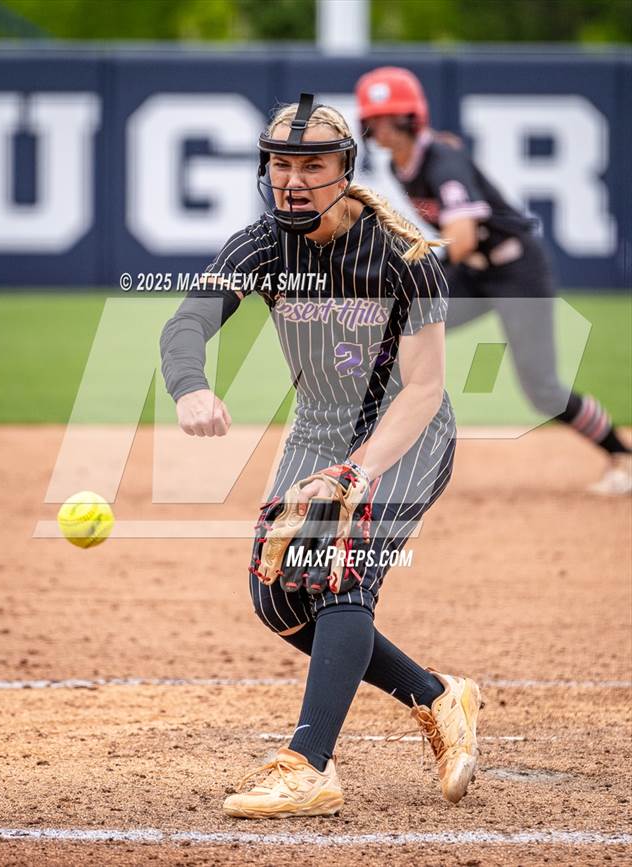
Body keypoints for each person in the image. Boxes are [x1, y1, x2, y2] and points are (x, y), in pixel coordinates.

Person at [160, 94, 482, 818]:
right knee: (277, 595)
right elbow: (188, 321)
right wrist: (190, 387)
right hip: (316, 431)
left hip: (407, 433)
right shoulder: (260, 245)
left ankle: (308, 764)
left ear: (346, 170)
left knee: (342, 568)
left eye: (313, 164)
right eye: (281, 163)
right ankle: (437, 696)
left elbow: (425, 390)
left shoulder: (405, 256)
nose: (294, 179)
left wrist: (357, 471)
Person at [356, 66, 631, 496]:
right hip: (476, 274)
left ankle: (622, 453)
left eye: (387, 116)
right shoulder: (403, 163)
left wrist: (426, 277)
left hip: (516, 271)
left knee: (541, 388)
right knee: (399, 340)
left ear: (410, 118)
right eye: (373, 117)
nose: (378, 125)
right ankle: (380, 460)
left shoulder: (442, 162)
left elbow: (461, 239)